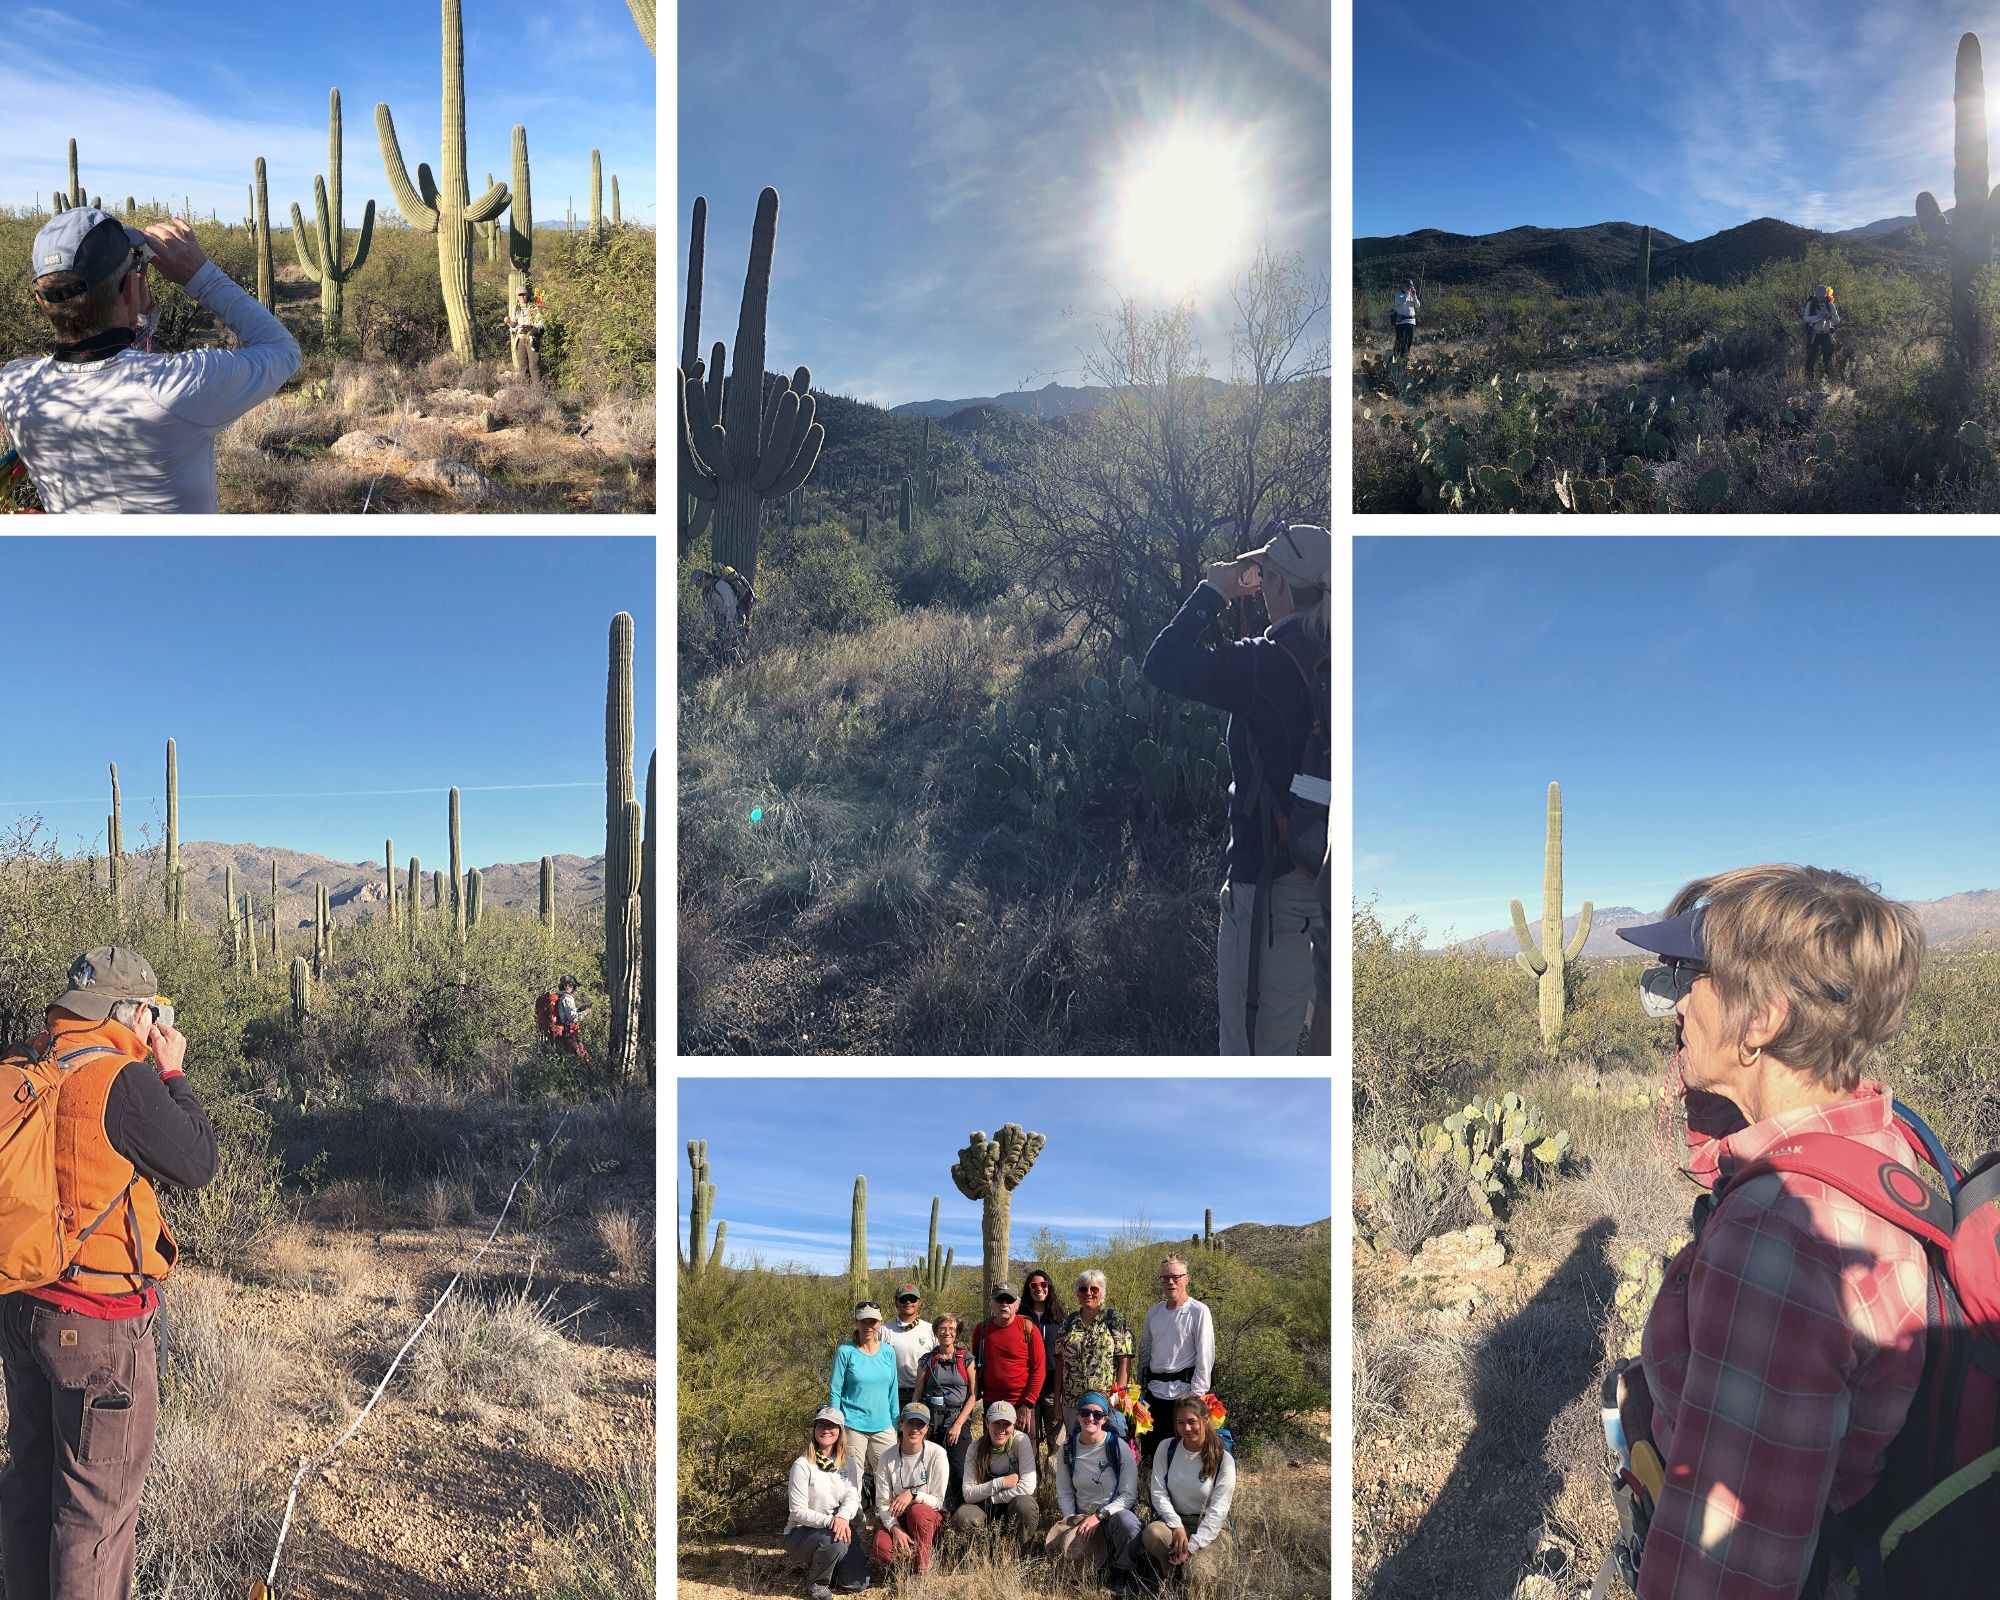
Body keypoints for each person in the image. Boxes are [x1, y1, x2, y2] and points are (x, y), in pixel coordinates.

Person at [1605, 866, 1932, 1600]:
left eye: (1693, 976)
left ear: (1762, 1020)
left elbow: (1726, 1576)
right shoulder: (1875, 1139)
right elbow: (1707, 1161)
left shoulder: (1777, 1243)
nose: (1676, 1004)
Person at [0, 947, 217, 1600]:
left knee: (31, 1483)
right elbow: (198, 1161)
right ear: (133, 1011)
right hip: (97, 1326)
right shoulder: (123, 1079)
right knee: (94, 1513)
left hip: (22, 1305)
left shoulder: (22, 1061)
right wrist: (172, 1071)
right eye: (151, 1011)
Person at [1142, 521, 1332, 1054]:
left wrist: (1216, 591)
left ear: (1272, 585)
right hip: (1334, 887)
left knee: (1254, 1057)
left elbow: (1161, 665)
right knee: (1323, 1052)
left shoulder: (1260, 664)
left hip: (1269, 891)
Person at [0, 210, 300, 514]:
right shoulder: (183, 384)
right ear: (131, 288)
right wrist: (201, 276)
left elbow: (102, 372)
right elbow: (282, 349)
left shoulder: (14, 387)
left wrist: (137, 319)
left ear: (41, 301)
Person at [1046, 1391, 1143, 1593]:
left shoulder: (1118, 1447)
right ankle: (1094, 1565)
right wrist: (1071, 1521)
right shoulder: (1067, 1449)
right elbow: (1064, 1491)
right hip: (1082, 1519)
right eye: (1085, 1412)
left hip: (1111, 1517)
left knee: (1129, 1523)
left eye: (1097, 1415)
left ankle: (1122, 1571)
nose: (1090, 1418)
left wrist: (1099, 1516)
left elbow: (1128, 1495)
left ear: (1105, 1418)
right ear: (1078, 1415)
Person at [1139, 1395, 1237, 1588]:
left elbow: (1218, 1511)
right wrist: (1176, 1526)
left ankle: (1190, 1569)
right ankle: (1173, 1575)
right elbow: (1158, 1492)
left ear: (1206, 1420)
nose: (1186, 1428)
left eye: (1192, 1422)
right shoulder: (1167, 1448)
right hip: (1176, 1522)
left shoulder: (1223, 1459)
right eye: (1180, 1422)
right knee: (1152, 1533)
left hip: (1209, 1528)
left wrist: (1191, 1547)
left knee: (1199, 1573)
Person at [1136, 1257, 1215, 1476]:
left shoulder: (1198, 1311)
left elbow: (1205, 1355)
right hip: (1154, 1394)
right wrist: (1139, 1389)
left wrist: (1197, 1396)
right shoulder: (1154, 1313)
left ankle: (1184, 1500)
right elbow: (1145, 1351)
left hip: (1185, 1394)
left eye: (1175, 1277)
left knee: (1184, 1452)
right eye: (1165, 1278)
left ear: (1186, 1279)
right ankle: (1154, 1499)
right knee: (1153, 1451)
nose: (1170, 1282)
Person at [784, 1406, 870, 1600]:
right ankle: (817, 1584)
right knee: (835, 1541)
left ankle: (825, 1564)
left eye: (832, 1426)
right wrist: (832, 1522)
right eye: (821, 1425)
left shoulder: (847, 1462)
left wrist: (841, 1517)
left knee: (857, 1583)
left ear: (840, 1431)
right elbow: (797, 1511)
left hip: (837, 1525)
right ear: (814, 1430)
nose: (826, 1430)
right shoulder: (802, 1464)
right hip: (801, 1531)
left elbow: (853, 1496)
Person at [1053, 1269, 1135, 1441]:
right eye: (1083, 1289)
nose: (1088, 1293)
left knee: (1105, 1446)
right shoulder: (1069, 1322)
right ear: (1077, 1293)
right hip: (1071, 1401)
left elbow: (1124, 1363)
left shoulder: (1114, 1320)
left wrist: (1117, 1398)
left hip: (1103, 1401)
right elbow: (1060, 1362)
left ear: (1101, 1293)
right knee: (1076, 1445)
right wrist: (1057, 1400)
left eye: (1094, 1289)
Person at [868, 1403, 947, 1578]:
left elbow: (938, 1502)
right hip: (898, 1517)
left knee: (918, 1512)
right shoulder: (887, 1458)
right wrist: (895, 1528)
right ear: (901, 1425)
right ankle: (914, 1552)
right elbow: (882, 1503)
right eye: (910, 1423)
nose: (914, 1429)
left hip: (927, 1516)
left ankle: (920, 1571)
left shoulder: (937, 1454)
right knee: (881, 1548)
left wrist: (913, 1493)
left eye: (920, 1424)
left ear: (928, 1428)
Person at [827, 1301, 900, 1487]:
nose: (869, 1326)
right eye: (864, 1321)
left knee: (890, 1476)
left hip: (883, 1425)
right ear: (857, 1323)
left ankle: (884, 1514)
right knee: (851, 1478)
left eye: (873, 1322)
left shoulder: (888, 1352)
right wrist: (836, 1424)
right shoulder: (845, 1352)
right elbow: (836, 1390)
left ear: (880, 1323)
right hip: (853, 1425)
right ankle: (853, 1515)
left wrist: (895, 1424)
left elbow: (892, 1390)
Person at [953, 1400, 1040, 1548]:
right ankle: (985, 1551)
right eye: (996, 1423)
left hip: (1007, 1504)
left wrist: (992, 1498)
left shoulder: (1021, 1441)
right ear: (987, 1423)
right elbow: (968, 1494)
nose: (1001, 1429)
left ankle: (1020, 1553)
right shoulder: (975, 1448)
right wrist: (1001, 1483)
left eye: (1006, 1424)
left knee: (1026, 1505)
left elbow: (1028, 1487)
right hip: (983, 1508)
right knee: (963, 1516)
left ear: (1014, 1425)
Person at [914, 1311, 979, 1510]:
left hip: (957, 1417)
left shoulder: (965, 1358)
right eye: (942, 1328)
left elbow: (973, 1395)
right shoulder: (927, 1360)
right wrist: (920, 1423)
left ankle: (962, 1511)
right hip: (932, 1419)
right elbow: (917, 1393)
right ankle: (933, 1510)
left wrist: (958, 1424)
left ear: (957, 1333)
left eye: (951, 1329)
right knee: (930, 1469)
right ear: (936, 1332)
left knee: (959, 1468)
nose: (947, 1332)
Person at [971, 1281, 1046, 1451]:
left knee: (1025, 1450)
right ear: (991, 1303)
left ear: (1017, 1305)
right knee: (994, 1450)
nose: (1004, 1304)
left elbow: (1038, 1370)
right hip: (992, 1402)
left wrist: (1028, 1405)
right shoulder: (981, 1329)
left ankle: (1029, 1479)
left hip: (1022, 1403)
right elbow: (975, 1364)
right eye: (999, 1299)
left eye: (1009, 1300)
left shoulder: (1029, 1329)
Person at [1019, 1268, 1065, 1453]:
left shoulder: (1060, 1318)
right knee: (1029, 1438)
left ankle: (1056, 1480)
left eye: (1043, 1284)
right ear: (1028, 1289)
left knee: (1058, 1440)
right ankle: (1032, 1479)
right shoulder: (1021, 1318)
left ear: (1049, 1287)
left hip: (1052, 1387)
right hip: (1027, 1387)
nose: (1039, 1288)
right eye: (1034, 1285)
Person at [882, 1284, 936, 1413]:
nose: (908, 1302)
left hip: (924, 1392)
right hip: (894, 1393)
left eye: (912, 1299)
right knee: (896, 1431)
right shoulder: (884, 1330)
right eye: (903, 1299)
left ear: (919, 1302)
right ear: (896, 1303)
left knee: (919, 1432)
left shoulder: (931, 1330)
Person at [690, 565, 755, 657]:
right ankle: (736, 664)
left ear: (701, 579)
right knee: (723, 647)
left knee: (733, 645)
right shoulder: (707, 592)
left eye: (696, 583)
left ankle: (745, 661)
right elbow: (706, 612)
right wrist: (697, 630)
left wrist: (730, 623)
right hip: (722, 622)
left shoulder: (721, 585)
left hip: (735, 619)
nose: (696, 586)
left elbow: (732, 605)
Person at [507, 285, 546, 383]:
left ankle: (538, 390)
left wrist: (531, 328)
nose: (522, 297)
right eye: (520, 295)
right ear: (517, 296)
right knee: (523, 365)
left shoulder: (534, 307)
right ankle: (526, 388)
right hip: (520, 339)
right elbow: (514, 324)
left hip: (532, 339)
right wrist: (508, 322)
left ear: (527, 295)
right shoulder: (515, 308)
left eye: (524, 294)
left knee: (534, 365)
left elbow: (541, 323)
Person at [1802, 283, 1840, 380]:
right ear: (1816, 294)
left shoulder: (1830, 304)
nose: (1820, 298)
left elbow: (1837, 320)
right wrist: (1817, 316)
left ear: (1825, 295)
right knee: (1811, 357)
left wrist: (1828, 316)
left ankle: (1827, 378)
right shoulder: (1810, 304)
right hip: (1814, 334)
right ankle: (1808, 380)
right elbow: (1806, 318)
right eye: (1819, 296)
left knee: (1828, 357)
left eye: (1822, 296)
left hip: (1826, 334)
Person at [1391, 277, 1420, 362]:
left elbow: (1417, 305)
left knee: (1409, 340)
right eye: (1407, 285)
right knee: (1400, 339)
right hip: (1401, 321)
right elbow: (1401, 302)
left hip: (1411, 321)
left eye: (1410, 286)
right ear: (1402, 286)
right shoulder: (1398, 294)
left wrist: (1414, 296)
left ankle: (1404, 357)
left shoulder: (1412, 295)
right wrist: (1407, 293)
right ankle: (1396, 356)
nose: (1409, 287)